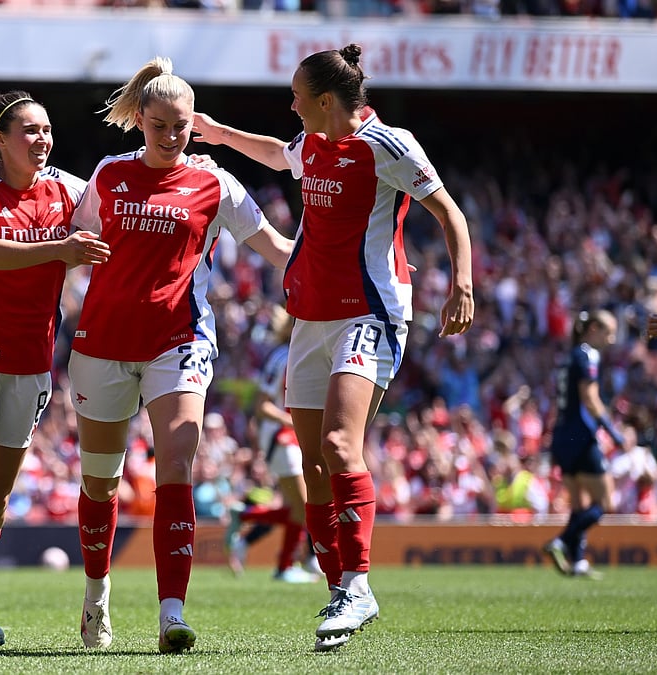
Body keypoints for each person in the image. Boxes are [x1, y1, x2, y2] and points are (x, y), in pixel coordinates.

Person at [192, 43, 474, 652]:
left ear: (324, 100)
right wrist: (215, 133)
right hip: (311, 318)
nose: (290, 104)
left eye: (296, 95)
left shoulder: (389, 145)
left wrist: (462, 285)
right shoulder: (314, 144)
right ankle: (338, 584)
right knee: (314, 465)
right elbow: (274, 152)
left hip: (369, 313)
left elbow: (449, 212)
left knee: (340, 445)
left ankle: (359, 584)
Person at [68, 57, 293, 654]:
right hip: (103, 344)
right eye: (161, 125)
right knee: (100, 482)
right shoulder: (109, 176)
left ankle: (172, 614)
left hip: (180, 341)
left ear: (196, 125)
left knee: (177, 463)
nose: (171, 137)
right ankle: (97, 596)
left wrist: (353, 266)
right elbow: (74, 248)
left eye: (183, 127)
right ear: (140, 118)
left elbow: (275, 248)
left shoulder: (215, 182)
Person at [0, 91, 110, 653]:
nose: (42, 140)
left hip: (32, 364)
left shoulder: (72, 190)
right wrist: (61, 249)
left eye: (47, 130)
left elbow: (120, 214)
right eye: (29, 131)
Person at [227, 307, 321, 583]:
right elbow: (262, 406)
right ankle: (299, 560)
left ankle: (282, 562)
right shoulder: (283, 356)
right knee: (305, 505)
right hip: (281, 435)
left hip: (286, 434)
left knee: (297, 507)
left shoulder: (298, 353)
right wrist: (295, 423)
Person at [543, 310, 621, 579]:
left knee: (579, 504)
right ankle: (562, 541)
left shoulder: (568, 357)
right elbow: (590, 397)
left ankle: (577, 562)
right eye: (609, 332)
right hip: (581, 435)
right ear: (594, 329)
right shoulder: (588, 355)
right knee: (606, 502)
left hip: (562, 435)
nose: (611, 339)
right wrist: (613, 431)